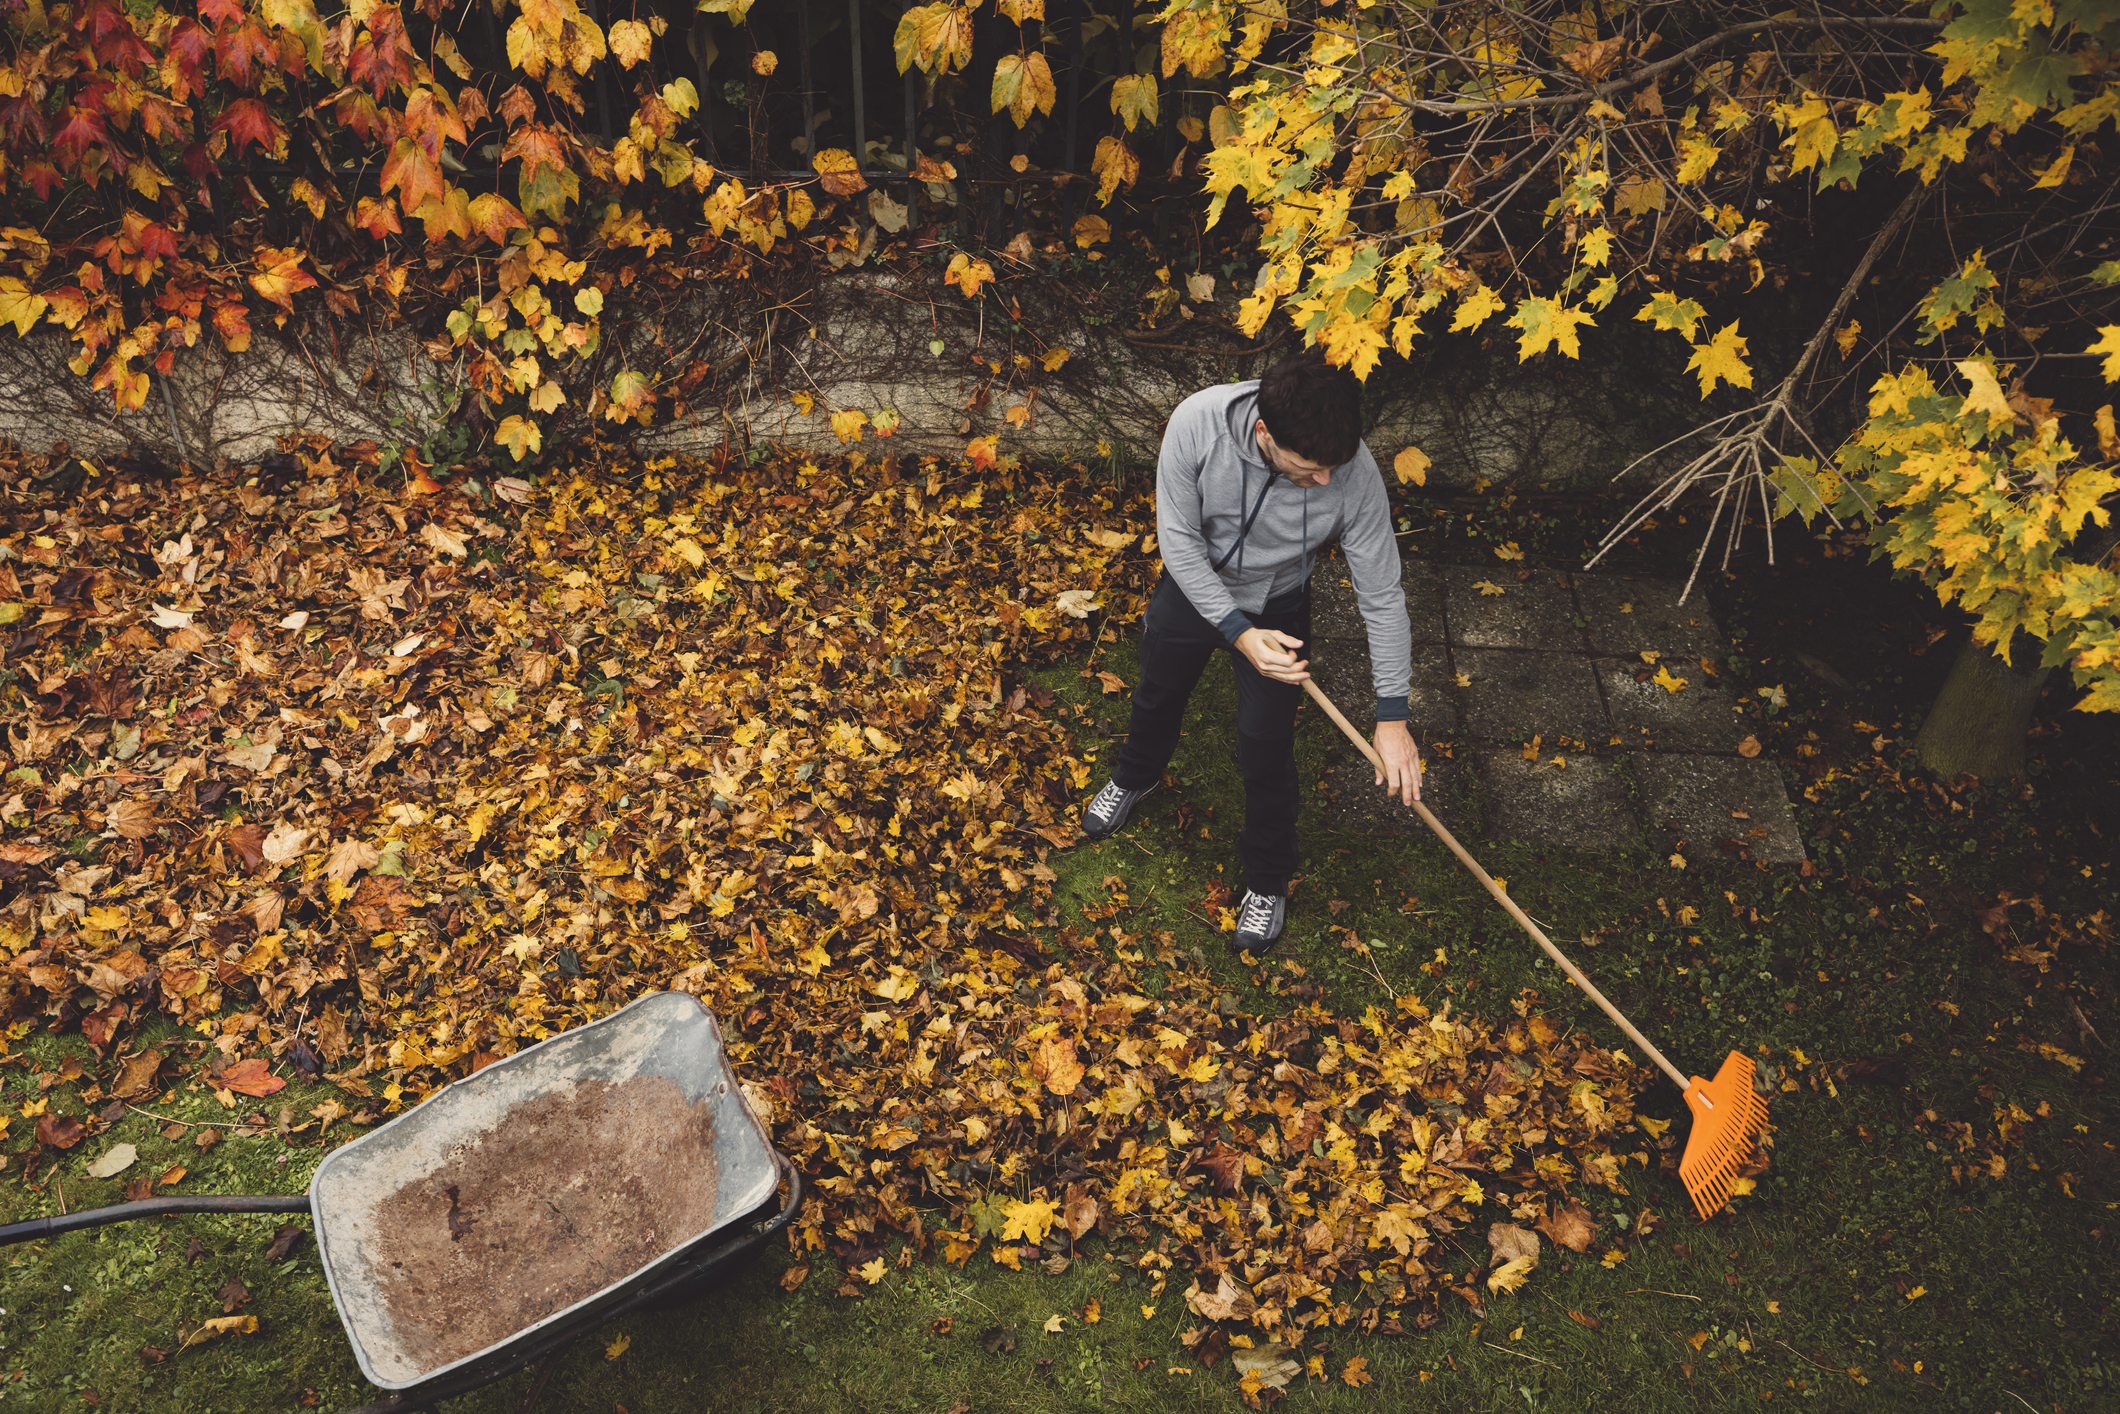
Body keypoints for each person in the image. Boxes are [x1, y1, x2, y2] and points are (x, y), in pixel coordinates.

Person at [1081, 347, 1422, 953]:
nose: (1323, 481)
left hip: (1279, 604)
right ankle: (1136, 775)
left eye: (1331, 469)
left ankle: (1268, 879)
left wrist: (1392, 715)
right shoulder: (1197, 422)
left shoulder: (1352, 472)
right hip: (1194, 587)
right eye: (1308, 467)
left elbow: (1382, 593)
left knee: (1266, 748)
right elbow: (1178, 541)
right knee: (1158, 693)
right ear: (1264, 432)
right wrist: (1238, 631)